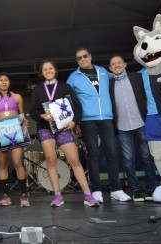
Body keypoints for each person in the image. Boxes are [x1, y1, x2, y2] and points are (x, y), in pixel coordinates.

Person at [29, 60, 98, 207]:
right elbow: (32, 111)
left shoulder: (65, 87)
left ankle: (88, 195)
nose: (48, 71)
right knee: (51, 159)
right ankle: (57, 195)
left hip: (64, 128)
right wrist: (42, 116)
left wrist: (74, 122)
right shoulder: (37, 90)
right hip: (45, 128)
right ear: (42, 73)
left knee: (74, 160)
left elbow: (77, 106)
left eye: (50, 68)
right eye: (45, 69)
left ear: (55, 70)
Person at [67, 48, 131, 203]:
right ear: (77, 61)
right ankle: (96, 191)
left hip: (107, 118)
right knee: (93, 155)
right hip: (87, 120)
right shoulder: (73, 77)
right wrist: (75, 120)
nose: (82, 59)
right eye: (79, 58)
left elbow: (120, 78)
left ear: (90, 56)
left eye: (85, 56)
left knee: (112, 153)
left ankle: (116, 189)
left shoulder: (103, 71)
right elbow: (68, 100)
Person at [108, 55, 156, 201]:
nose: (116, 65)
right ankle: (135, 189)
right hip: (122, 127)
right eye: (113, 64)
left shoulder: (137, 77)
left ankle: (151, 188)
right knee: (128, 160)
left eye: (119, 62)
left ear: (125, 64)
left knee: (147, 157)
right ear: (110, 68)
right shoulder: (109, 84)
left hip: (141, 122)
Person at [0, 73, 30, 207]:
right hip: (0, 133)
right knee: (3, 164)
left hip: (16, 132)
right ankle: (5, 196)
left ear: (9, 82)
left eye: (6, 80)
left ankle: (24, 195)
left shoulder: (17, 97)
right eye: (1, 80)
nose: (4, 82)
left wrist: (25, 123)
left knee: (17, 162)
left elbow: (22, 116)